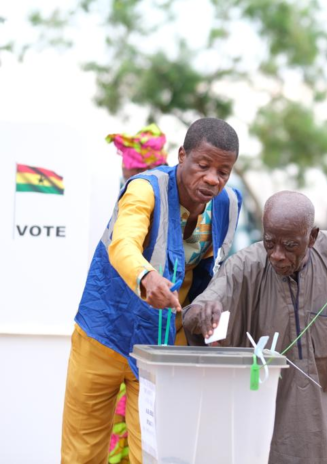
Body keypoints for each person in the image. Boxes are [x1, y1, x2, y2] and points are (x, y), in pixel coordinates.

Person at [61, 118, 243, 464]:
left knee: (154, 454)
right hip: (104, 334)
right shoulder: (146, 188)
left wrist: (215, 331)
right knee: (82, 452)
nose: (212, 179)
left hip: (161, 347)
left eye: (224, 171)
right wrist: (146, 277)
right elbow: (124, 243)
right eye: (203, 166)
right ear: (182, 155)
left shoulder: (228, 204)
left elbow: (216, 276)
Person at [183, 191, 327, 464]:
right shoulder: (244, 266)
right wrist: (202, 313)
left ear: (312, 237)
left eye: (289, 245)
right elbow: (195, 312)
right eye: (269, 242)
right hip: (268, 429)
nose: (277, 254)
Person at [105, 123, 169, 464]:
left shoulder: (165, 206)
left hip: (150, 333)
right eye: (128, 169)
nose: (130, 175)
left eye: (136, 170)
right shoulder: (117, 204)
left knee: (148, 429)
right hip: (114, 331)